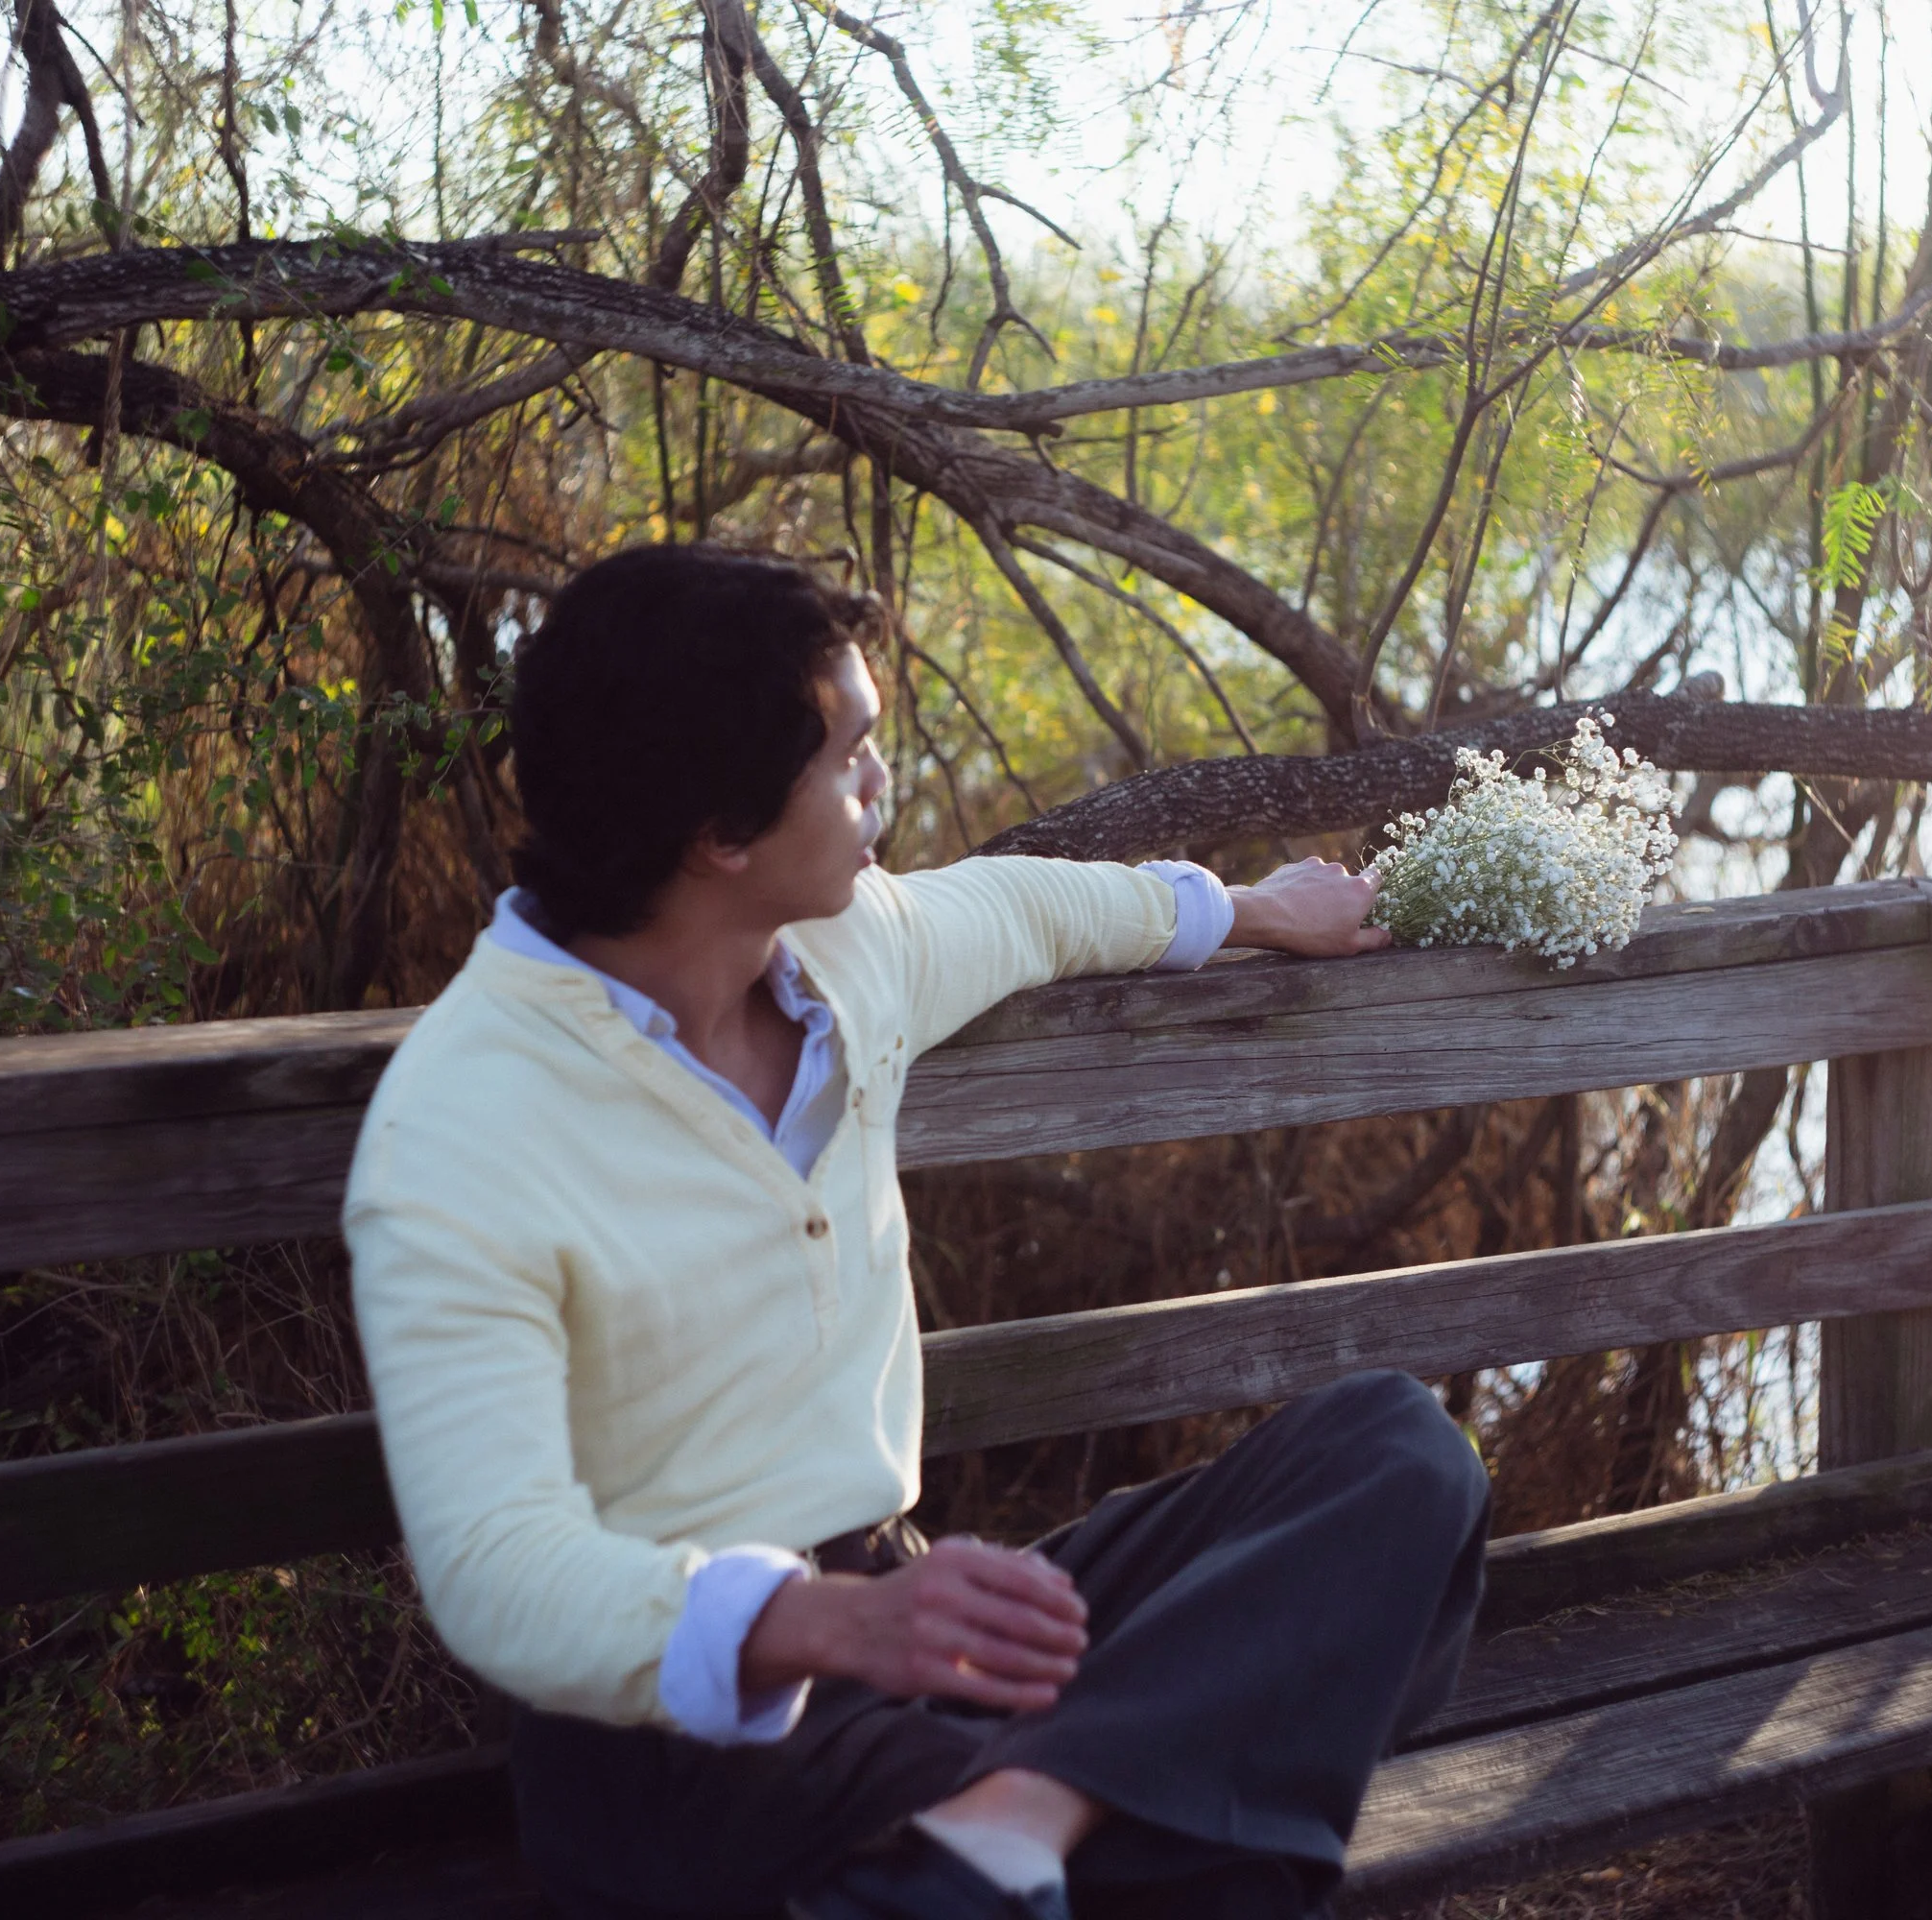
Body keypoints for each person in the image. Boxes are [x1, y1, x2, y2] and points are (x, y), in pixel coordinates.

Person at [344, 546, 1491, 1920]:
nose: (881, 786)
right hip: (683, 1749)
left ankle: (1011, 1821)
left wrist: (1248, 911)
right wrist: (830, 1625)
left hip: (908, 1619)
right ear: (719, 833)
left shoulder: (843, 952)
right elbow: (496, 1576)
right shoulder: (466, 1119)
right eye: (850, 759)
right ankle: (1021, 1826)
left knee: (1393, 1457)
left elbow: (1027, 907)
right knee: (1263, 1729)